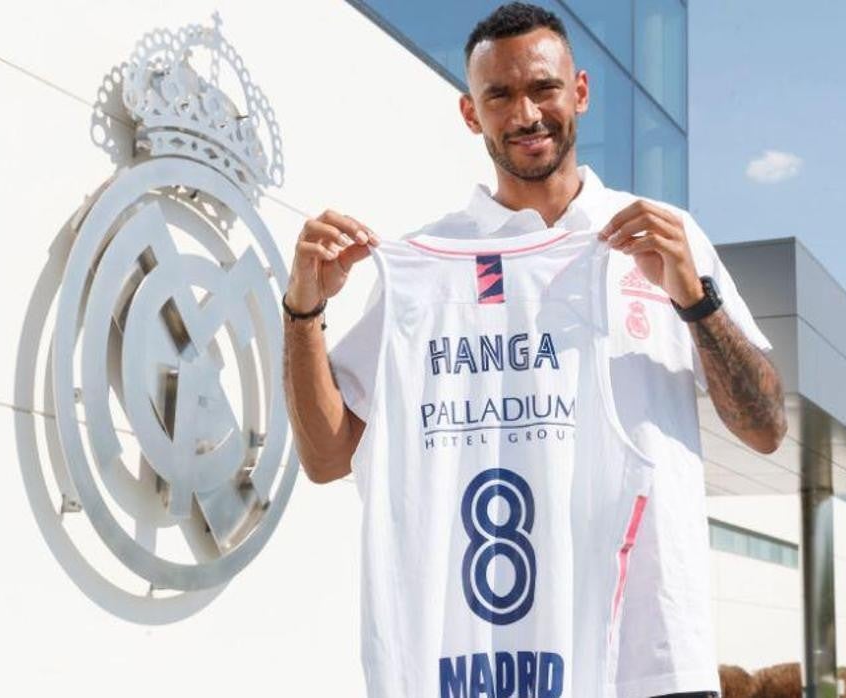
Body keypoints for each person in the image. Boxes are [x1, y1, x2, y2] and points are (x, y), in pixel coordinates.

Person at [280, 4, 788, 698]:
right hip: (490, 661)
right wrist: (303, 310)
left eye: (543, 88)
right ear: (470, 113)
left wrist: (695, 299)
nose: (526, 114)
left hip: (659, 656)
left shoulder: (662, 238)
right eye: (500, 95)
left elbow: (764, 428)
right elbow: (327, 457)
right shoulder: (434, 265)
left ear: (579, 90)